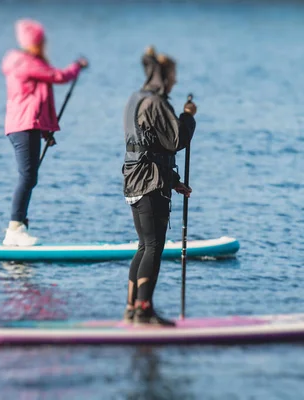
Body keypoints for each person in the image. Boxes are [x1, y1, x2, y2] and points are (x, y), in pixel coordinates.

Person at [122, 46, 197, 326]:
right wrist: (188, 115)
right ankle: (144, 310)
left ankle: (132, 307)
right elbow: (176, 140)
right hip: (149, 182)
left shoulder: (136, 98)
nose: (175, 81)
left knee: (144, 245)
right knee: (153, 246)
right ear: (163, 76)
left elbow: (150, 145)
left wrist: (175, 182)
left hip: (135, 179)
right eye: (173, 75)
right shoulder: (155, 102)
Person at [1, 19, 88, 246]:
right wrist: (77, 66)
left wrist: (45, 131)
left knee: (30, 177)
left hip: (25, 125)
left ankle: (19, 224)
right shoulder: (26, 63)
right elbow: (58, 77)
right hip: (23, 126)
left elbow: (36, 99)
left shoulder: (24, 61)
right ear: (34, 43)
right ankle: (14, 228)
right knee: (27, 176)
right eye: (42, 41)